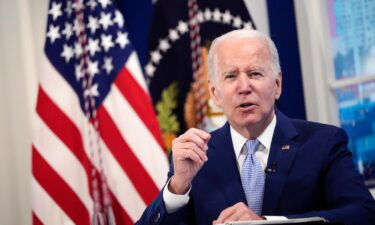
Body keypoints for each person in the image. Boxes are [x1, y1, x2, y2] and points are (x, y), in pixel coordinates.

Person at [136, 29, 375, 225]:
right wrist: (177, 187)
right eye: (230, 76)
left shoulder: (324, 142)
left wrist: (267, 222)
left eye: (255, 73)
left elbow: (363, 214)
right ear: (214, 93)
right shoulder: (196, 156)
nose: (244, 87)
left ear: (277, 84)